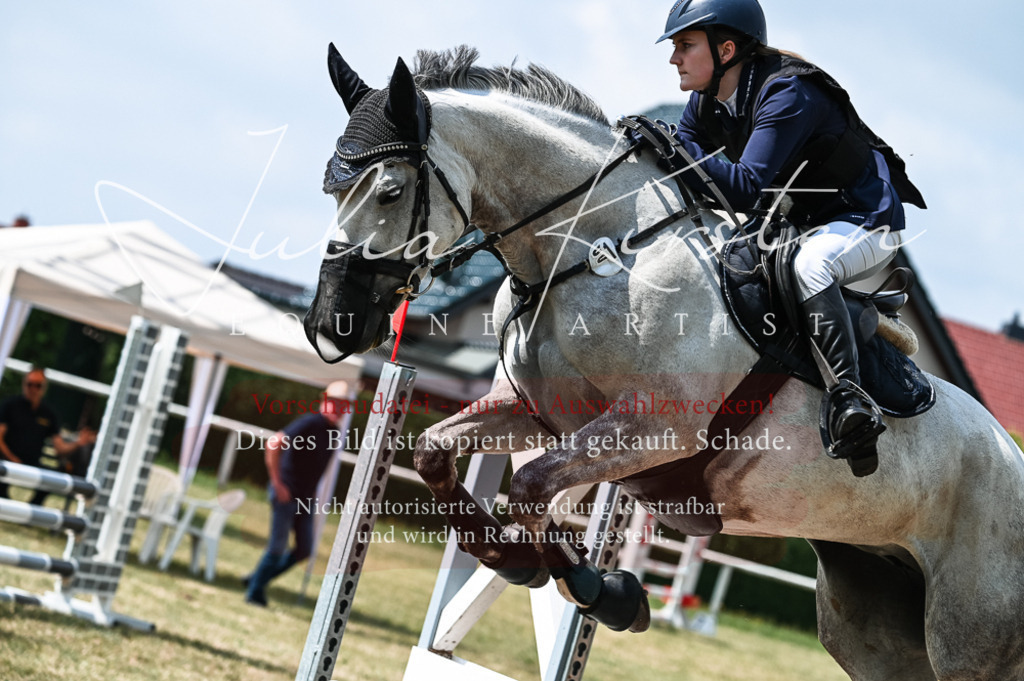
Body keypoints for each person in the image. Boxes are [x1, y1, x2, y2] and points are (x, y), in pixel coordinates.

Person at [656, 0, 926, 468]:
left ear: (725, 49)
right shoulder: (707, 101)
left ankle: (849, 398)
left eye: (684, 45)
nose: (673, 57)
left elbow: (740, 188)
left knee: (811, 265)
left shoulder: (788, 92)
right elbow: (690, 167)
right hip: (798, 223)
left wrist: (675, 148)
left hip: (865, 219)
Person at [244, 380, 353, 606]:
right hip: (286, 493)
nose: (339, 409)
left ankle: (257, 579)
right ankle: (255, 592)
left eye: (343, 405)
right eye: (335, 403)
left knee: (304, 548)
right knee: (277, 546)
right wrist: (277, 483)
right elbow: (274, 443)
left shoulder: (335, 432)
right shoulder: (310, 423)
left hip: (305, 499)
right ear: (325, 400)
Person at [0, 368, 89, 502]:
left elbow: (60, 448)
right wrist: (12, 459)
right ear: (24, 384)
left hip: (32, 464)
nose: (33, 389)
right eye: (30, 384)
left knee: (54, 477)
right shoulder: (10, 405)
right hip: (5, 460)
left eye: (38, 385)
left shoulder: (48, 413)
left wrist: (78, 443)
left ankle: (32, 511)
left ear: (44, 388)